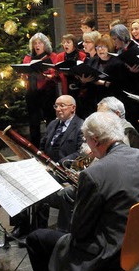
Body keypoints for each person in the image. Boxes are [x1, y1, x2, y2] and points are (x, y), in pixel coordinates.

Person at [25, 111, 139, 271]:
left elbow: (78, 232)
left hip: (110, 256)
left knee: (37, 238)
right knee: (104, 224)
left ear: (94, 140)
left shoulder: (95, 174)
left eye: (87, 141)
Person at [11, 95, 84, 237]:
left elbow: (80, 152)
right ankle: (22, 224)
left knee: (39, 181)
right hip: (47, 165)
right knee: (19, 178)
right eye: (56, 106)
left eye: (62, 105)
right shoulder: (52, 124)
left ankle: (39, 226)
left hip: (64, 169)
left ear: (73, 108)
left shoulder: (81, 125)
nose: (58, 109)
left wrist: (57, 165)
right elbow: (42, 147)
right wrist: (37, 161)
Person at [22, 32, 58, 147]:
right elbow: (25, 71)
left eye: (39, 43)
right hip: (32, 92)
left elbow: (55, 73)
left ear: (45, 44)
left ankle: (50, 145)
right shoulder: (28, 57)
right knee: (33, 121)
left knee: (50, 119)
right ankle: (35, 147)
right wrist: (23, 75)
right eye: (35, 43)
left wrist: (46, 76)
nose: (37, 46)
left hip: (48, 91)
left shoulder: (52, 56)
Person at [73, 30, 101, 119]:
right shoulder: (87, 58)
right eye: (84, 41)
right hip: (86, 97)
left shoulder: (99, 59)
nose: (84, 44)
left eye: (87, 42)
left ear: (95, 43)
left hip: (96, 97)